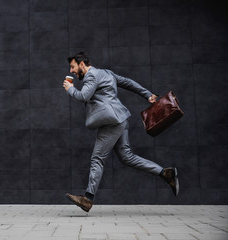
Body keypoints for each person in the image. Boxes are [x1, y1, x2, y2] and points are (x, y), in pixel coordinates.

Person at [63, 52, 179, 212]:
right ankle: (165, 173)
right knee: (127, 157)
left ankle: (88, 199)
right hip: (121, 118)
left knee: (97, 158)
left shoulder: (92, 76)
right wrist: (147, 94)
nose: (71, 71)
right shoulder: (106, 73)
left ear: (82, 64)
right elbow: (128, 82)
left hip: (111, 121)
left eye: (73, 67)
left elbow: (83, 96)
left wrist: (70, 89)